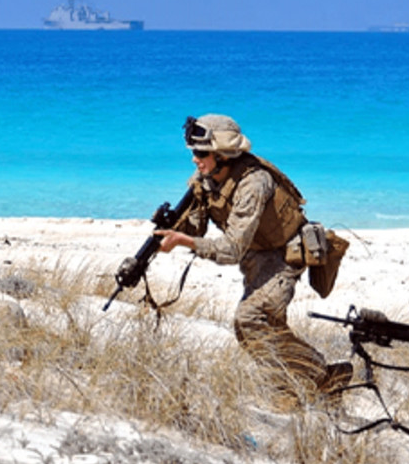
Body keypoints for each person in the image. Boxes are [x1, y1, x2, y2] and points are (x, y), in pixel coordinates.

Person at [150, 114, 351, 407]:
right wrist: (174, 228)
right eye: (194, 152)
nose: (195, 159)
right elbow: (198, 225)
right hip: (256, 256)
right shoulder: (205, 180)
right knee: (255, 328)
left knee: (252, 319)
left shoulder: (254, 184)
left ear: (222, 154)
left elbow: (231, 249)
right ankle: (317, 379)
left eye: (201, 153)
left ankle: (306, 384)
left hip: (284, 255)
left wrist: (184, 242)